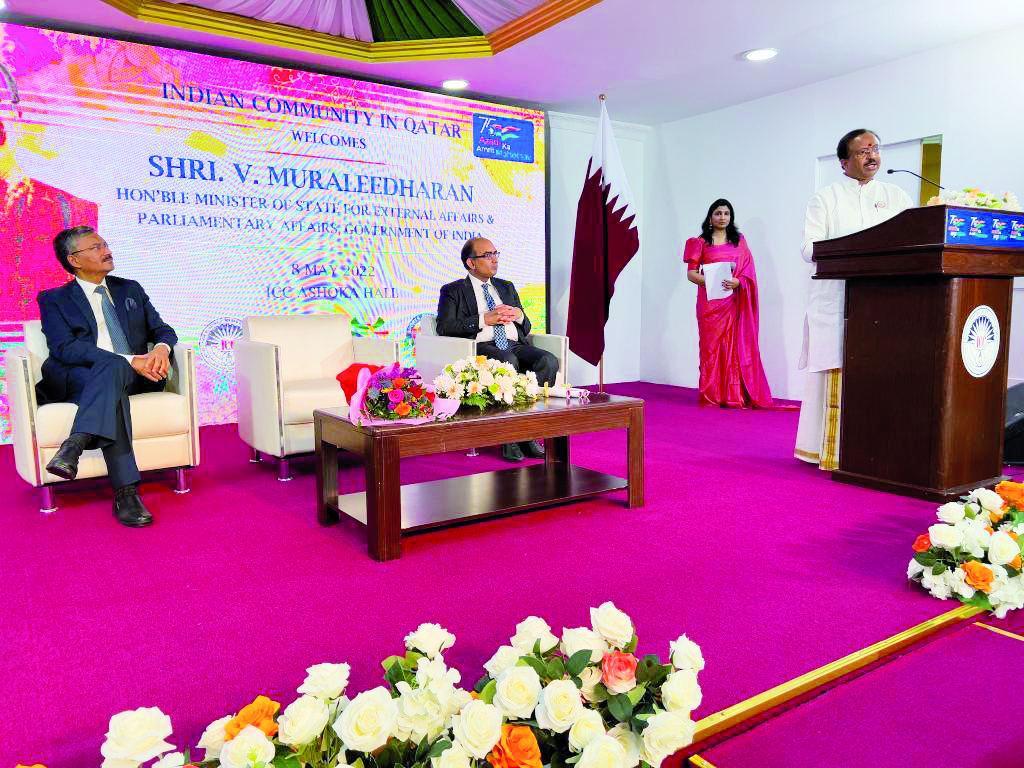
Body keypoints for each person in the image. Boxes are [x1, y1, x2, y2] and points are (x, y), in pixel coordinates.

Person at [36, 226, 177, 527]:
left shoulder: (130, 289)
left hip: (133, 377)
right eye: (96, 247)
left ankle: (75, 443)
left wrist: (161, 349)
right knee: (113, 371)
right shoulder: (54, 299)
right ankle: (126, 493)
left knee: (115, 372)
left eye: (105, 245)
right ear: (74, 260)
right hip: (81, 376)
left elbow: (162, 330)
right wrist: (130, 360)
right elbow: (64, 348)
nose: (107, 251)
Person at [794, 129, 914, 470]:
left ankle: (879, 450)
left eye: (875, 149)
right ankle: (834, 453)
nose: (872, 155)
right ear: (844, 162)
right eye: (863, 151)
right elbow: (809, 248)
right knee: (838, 372)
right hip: (838, 299)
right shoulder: (825, 198)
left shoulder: (897, 196)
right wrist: (854, 250)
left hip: (887, 301)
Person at [436, 237, 559, 462]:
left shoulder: (506, 286)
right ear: (471, 263)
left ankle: (529, 432)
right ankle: (509, 436)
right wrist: (485, 319)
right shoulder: (453, 290)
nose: (494, 260)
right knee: (508, 360)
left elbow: (526, 326)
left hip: (514, 344)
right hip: (482, 347)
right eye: (487, 255)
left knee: (548, 361)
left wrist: (518, 314)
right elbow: (445, 327)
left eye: (495, 254)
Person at [684, 199, 774, 408]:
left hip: (734, 302)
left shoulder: (739, 241)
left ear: (731, 217)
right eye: (718, 213)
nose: (722, 217)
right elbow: (691, 274)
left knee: (734, 347)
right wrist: (714, 280)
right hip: (710, 305)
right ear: (710, 217)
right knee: (710, 349)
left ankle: (734, 395)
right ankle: (712, 395)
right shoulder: (699, 242)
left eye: (726, 213)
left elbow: (749, 272)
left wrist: (738, 282)